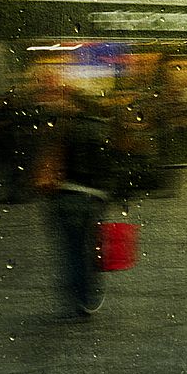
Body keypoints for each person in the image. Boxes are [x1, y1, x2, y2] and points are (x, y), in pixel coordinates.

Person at [34, 91, 119, 317]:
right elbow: (110, 165)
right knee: (91, 247)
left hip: (66, 195)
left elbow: (48, 161)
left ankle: (76, 294)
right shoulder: (103, 131)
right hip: (94, 197)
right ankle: (89, 294)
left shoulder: (62, 129)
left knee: (71, 249)